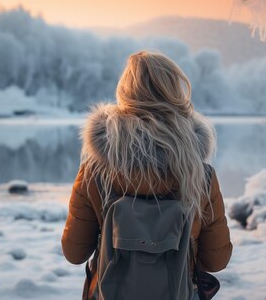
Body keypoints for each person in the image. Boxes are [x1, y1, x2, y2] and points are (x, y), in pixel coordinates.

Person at [61, 51, 233, 299]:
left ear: (125, 94)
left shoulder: (95, 171)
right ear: (175, 94)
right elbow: (217, 260)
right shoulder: (200, 174)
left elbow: (74, 253)